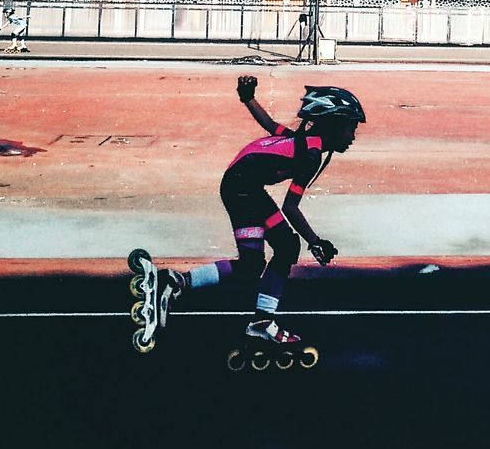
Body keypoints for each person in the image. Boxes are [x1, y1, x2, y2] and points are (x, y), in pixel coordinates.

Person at [154, 76, 365, 348]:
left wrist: (247, 98)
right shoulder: (310, 155)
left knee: (287, 246)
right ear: (334, 126)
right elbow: (291, 206)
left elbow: (269, 125)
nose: (353, 136)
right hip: (242, 188)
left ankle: (262, 321)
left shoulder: (304, 141)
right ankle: (178, 283)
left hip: (246, 185)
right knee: (251, 266)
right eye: (351, 128)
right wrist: (316, 241)